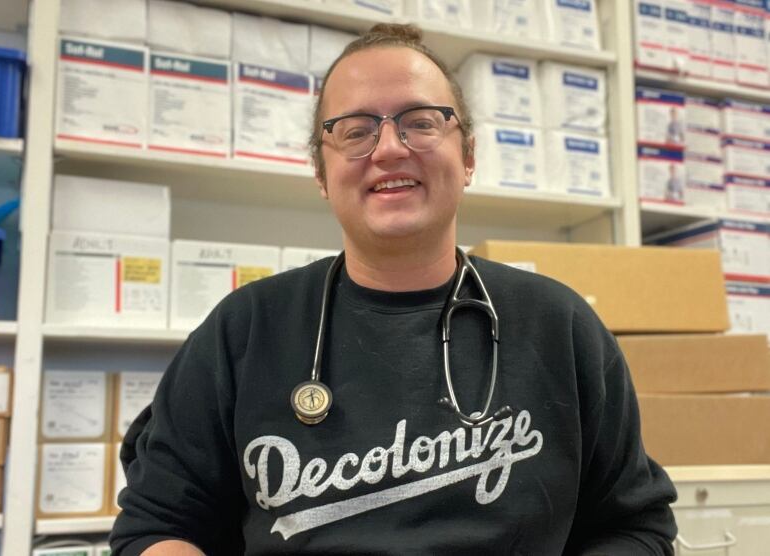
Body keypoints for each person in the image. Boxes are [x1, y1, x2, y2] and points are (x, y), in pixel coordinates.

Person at [110, 23, 678, 555]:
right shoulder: (245, 328)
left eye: (421, 122)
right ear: (321, 174)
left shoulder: (560, 324)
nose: (388, 149)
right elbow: (158, 524)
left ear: (469, 156)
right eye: (355, 131)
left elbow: (637, 524)